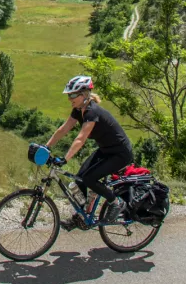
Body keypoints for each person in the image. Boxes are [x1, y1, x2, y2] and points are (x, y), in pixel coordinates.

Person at [45, 75, 133, 228]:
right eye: (68, 95)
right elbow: (63, 129)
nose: (69, 98)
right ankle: (81, 216)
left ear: (84, 94)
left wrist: (65, 159)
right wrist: (46, 147)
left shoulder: (93, 112)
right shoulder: (78, 110)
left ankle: (116, 202)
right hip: (105, 150)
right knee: (80, 179)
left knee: (89, 179)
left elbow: (80, 139)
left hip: (120, 153)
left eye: (73, 95)